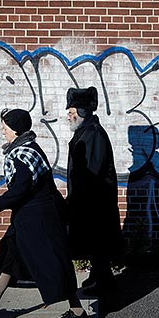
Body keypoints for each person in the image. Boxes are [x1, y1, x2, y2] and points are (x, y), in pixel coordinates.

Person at [0, 108, 87, 318]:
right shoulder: (25, 149)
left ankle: (77, 312)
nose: (2, 132)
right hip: (29, 219)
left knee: (54, 265)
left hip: (39, 220)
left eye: (4, 127)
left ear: (16, 129)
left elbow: (20, 190)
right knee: (11, 258)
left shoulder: (23, 154)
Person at [65, 87, 123, 299]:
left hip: (95, 203)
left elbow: (93, 171)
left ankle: (106, 286)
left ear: (82, 111)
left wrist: (77, 199)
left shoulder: (93, 134)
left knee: (97, 244)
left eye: (72, 111)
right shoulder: (86, 131)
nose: (68, 116)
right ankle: (97, 276)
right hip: (90, 201)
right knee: (94, 245)